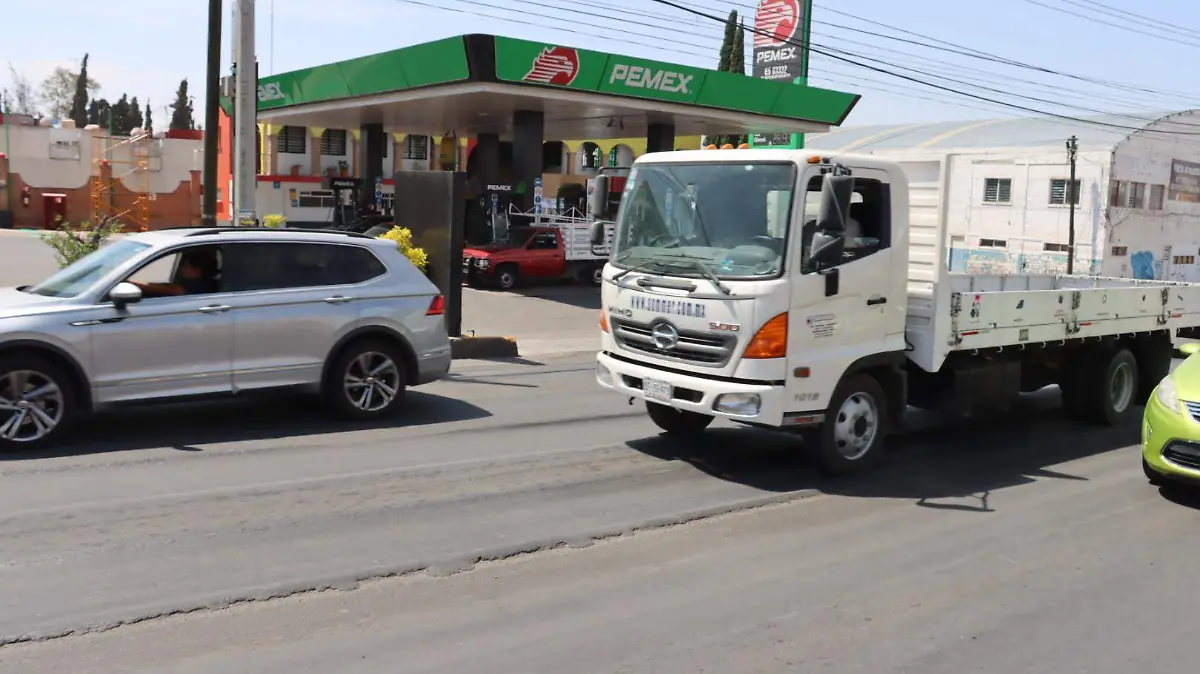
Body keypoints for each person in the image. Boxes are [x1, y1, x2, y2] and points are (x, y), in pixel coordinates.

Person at [131, 248, 220, 298]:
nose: (181, 268)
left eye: (185, 265)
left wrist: (133, 285)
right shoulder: (206, 282)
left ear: (198, 270)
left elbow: (171, 290)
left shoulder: (199, 286)